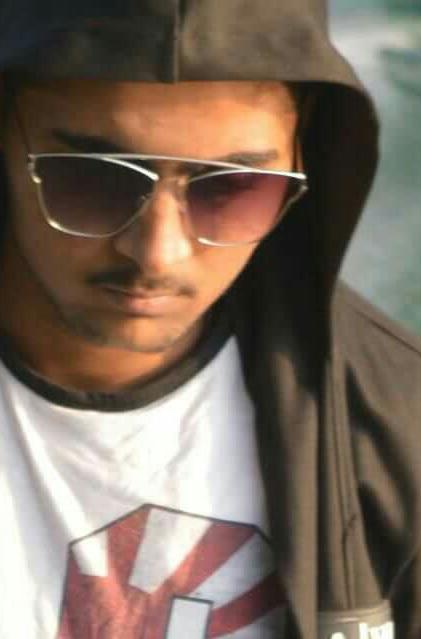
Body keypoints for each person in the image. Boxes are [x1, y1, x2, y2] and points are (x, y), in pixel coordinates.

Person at [0, 1, 420, 638]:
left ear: (303, 146)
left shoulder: (396, 429)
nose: (157, 254)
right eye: (94, 179)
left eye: (230, 187)